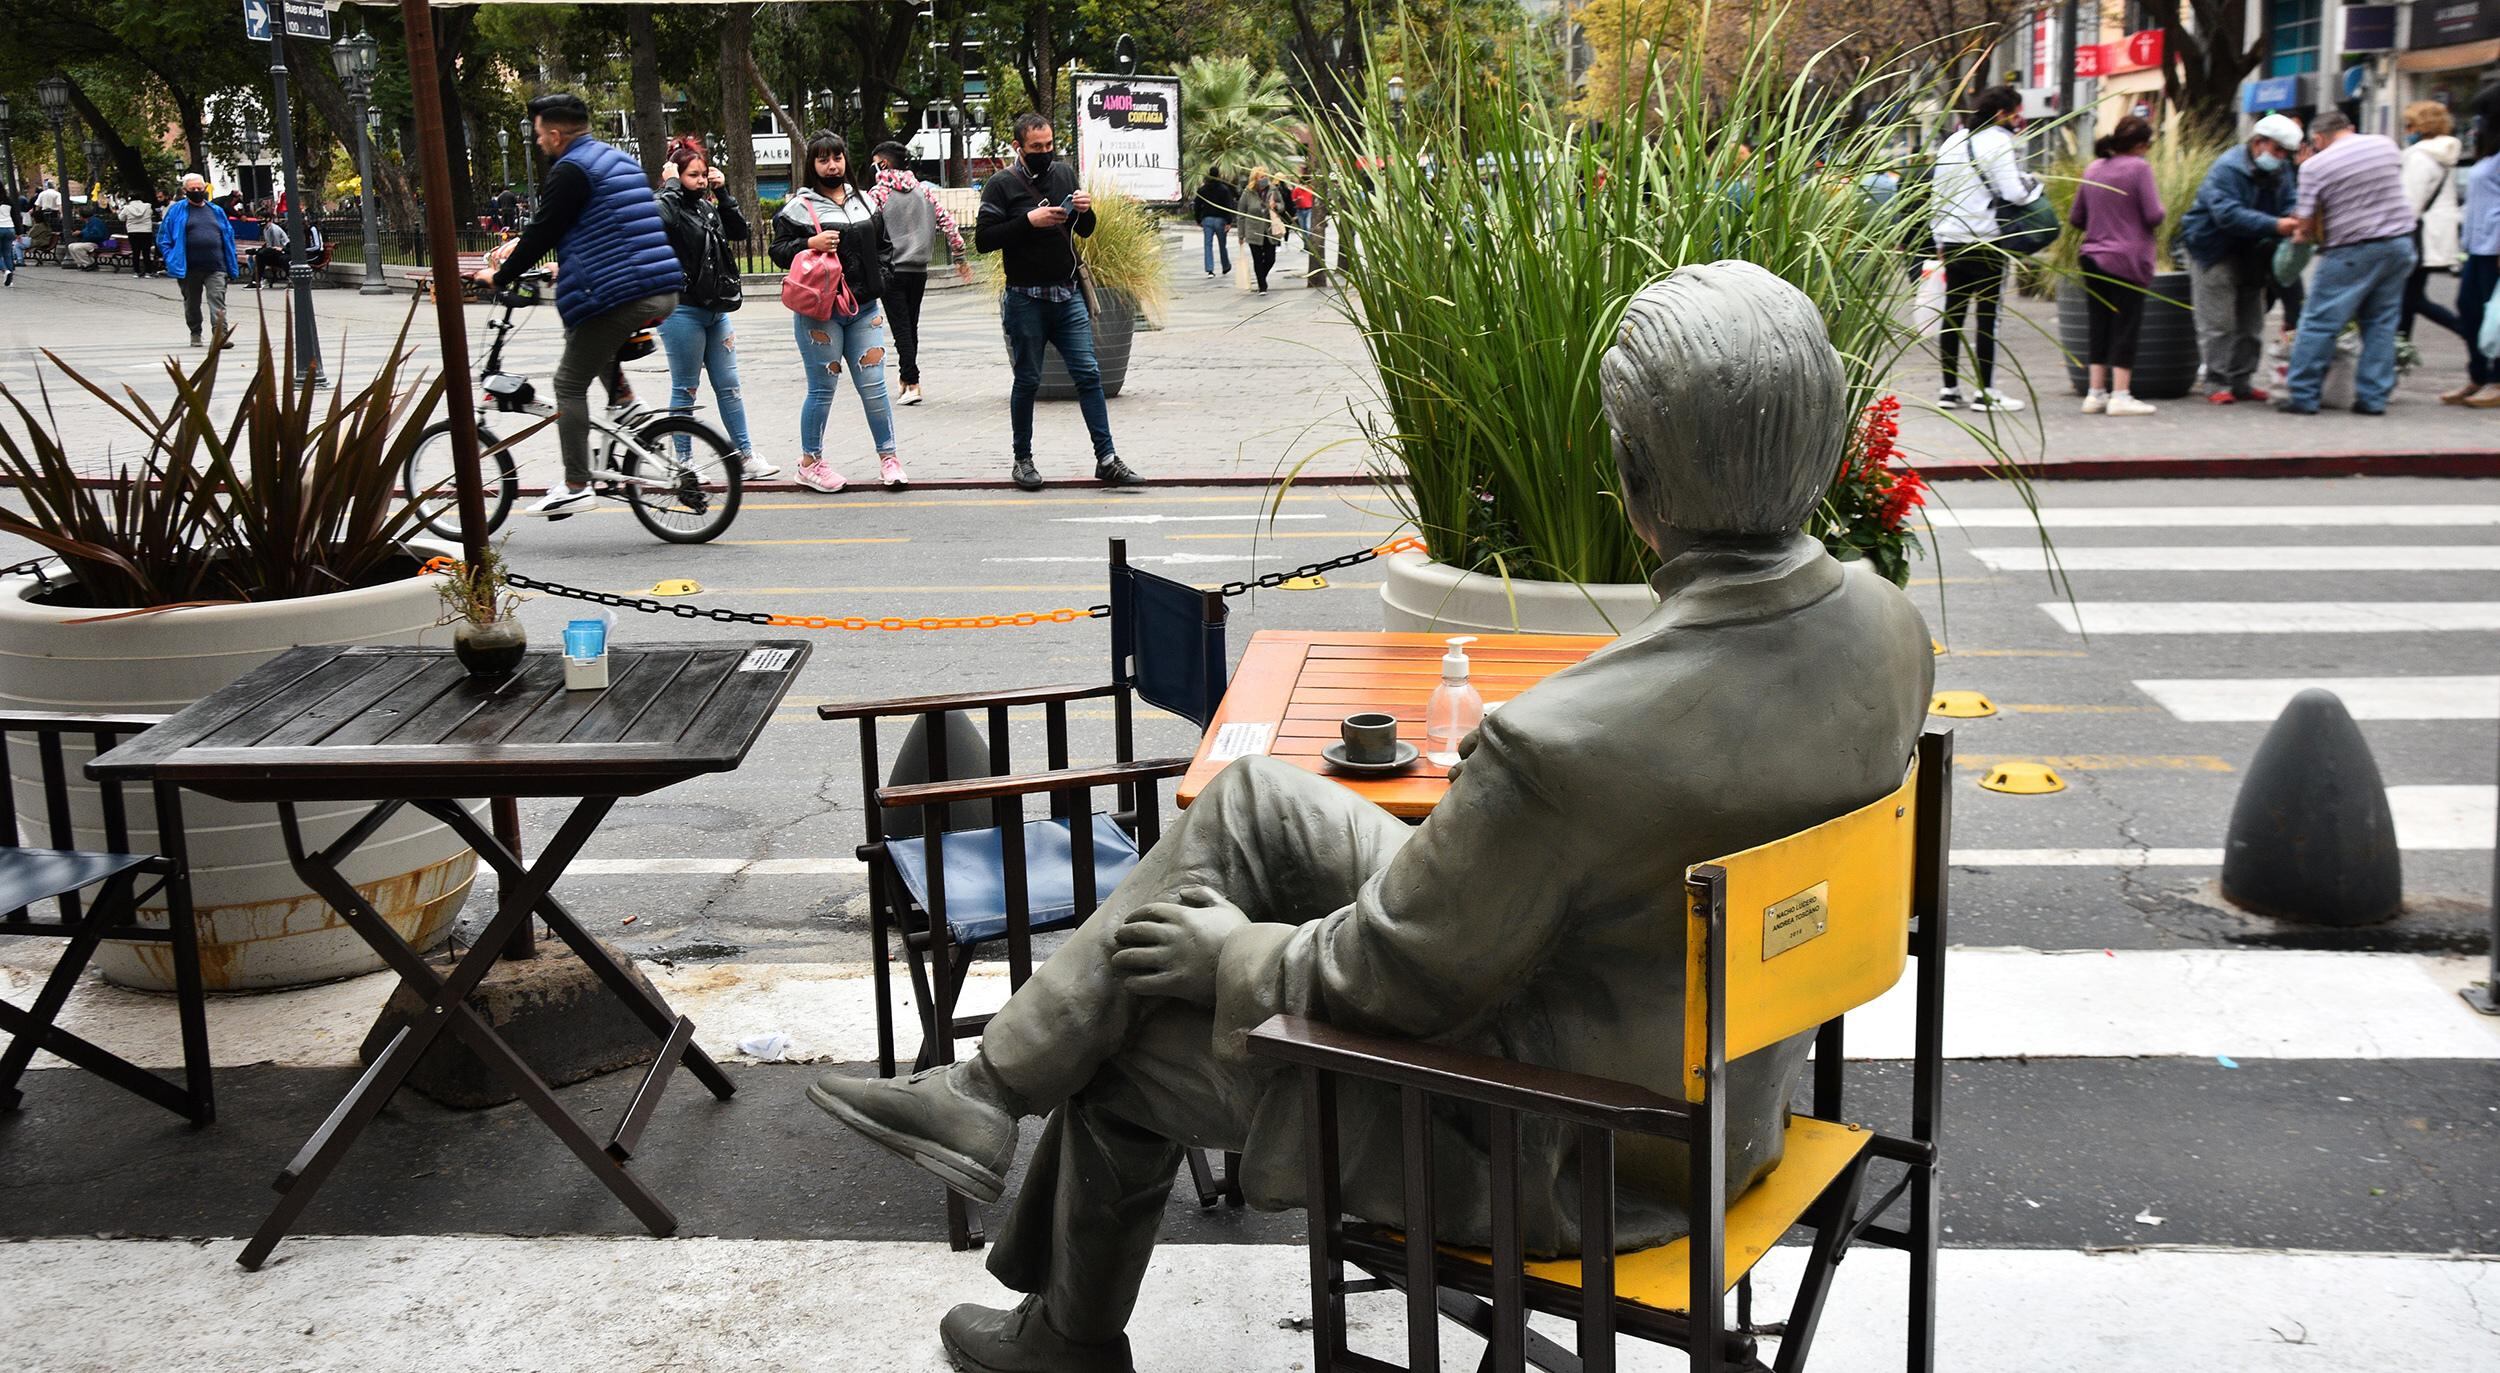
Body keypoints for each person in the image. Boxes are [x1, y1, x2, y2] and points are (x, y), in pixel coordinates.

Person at [804, 262, 1934, 1373]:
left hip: (1566, 1144)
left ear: (1633, 474)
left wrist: (1233, 952)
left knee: (1129, 1048)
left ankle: (1061, 1319)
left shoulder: (1567, 746)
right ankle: (984, 1093)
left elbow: (1395, 979)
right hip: (1725, 1095)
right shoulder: (1888, 633)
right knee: (1247, 801)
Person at [485, 92, 684, 518]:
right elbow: (607, 226)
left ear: (555, 134)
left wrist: (499, 275)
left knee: (568, 383)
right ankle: (625, 402)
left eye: (540, 135)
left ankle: (576, 483)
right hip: (659, 286)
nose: (538, 142)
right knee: (583, 332)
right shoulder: (617, 160)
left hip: (623, 292)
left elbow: (544, 229)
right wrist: (568, 264)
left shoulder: (571, 169)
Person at [974, 112, 1139, 491]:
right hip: (1025, 299)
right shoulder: (1001, 185)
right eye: (1036, 148)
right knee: (1027, 380)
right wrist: (1028, 221)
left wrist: (1085, 210)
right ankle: (1023, 459)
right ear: (1018, 147)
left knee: (1089, 374)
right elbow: (984, 240)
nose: (1045, 153)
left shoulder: (1063, 174)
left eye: (1049, 145)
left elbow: (1084, 230)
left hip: (1067, 296)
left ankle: (1107, 459)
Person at [771, 131, 903, 493]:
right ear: (811, 165)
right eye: (823, 160)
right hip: (820, 311)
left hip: (864, 309)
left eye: (838, 158)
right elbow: (778, 251)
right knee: (822, 388)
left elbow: (884, 247)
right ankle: (810, 462)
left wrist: (881, 281)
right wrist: (808, 243)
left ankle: (889, 458)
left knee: (874, 387)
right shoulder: (799, 207)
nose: (832, 165)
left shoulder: (865, 202)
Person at [2277, 111, 2419, 415]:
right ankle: (2373, 398)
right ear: (2350, 128)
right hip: (2399, 244)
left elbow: (2305, 218)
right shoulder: (2385, 145)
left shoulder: (2315, 166)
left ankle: (2303, 395)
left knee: (2319, 321)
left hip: (2352, 249)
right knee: (2381, 323)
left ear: (2317, 139)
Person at [655, 144, 774, 482]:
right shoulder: (669, 206)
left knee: (729, 385)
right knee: (686, 388)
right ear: (676, 177)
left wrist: (725, 194)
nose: (701, 181)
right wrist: (670, 186)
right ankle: (684, 461)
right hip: (682, 311)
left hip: (716, 310)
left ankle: (745, 455)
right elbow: (658, 218)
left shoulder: (707, 208)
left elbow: (739, 232)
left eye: (704, 174)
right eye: (692, 175)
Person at [2178, 113, 2304, 404]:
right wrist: (2276, 225)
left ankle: (2242, 380)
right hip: (2213, 248)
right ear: (2258, 143)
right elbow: (2227, 214)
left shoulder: (2280, 169)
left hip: (2252, 250)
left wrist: (2294, 214)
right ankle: (2216, 382)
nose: (2281, 158)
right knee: (2219, 321)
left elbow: (2289, 200)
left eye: (2285, 153)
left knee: (2252, 320)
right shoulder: (2227, 168)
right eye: (2277, 150)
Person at [1927, 86, 2037, 411]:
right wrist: (2034, 185)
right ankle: (1985, 391)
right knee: (1988, 317)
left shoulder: (1953, 140)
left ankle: (1948, 389)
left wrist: (1938, 240)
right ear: (2003, 113)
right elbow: (2014, 192)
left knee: (1953, 315)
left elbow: (1937, 192)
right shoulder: (1999, 141)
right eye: (2017, 113)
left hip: (1952, 239)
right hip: (1987, 239)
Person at [2069, 115, 2166, 416]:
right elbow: (2154, 214)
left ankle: (2095, 392)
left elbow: (2076, 218)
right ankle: (2121, 394)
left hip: (2092, 257)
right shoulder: (2139, 168)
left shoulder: (2094, 168)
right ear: (2140, 144)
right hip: (2127, 259)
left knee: (2099, 324)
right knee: (2126, 325)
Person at [867, 140, 973, 408]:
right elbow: (949, 224)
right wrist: (959, 256)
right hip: (919, 270)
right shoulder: (925, 192)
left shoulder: (877, 194)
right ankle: (905, 379)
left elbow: (866, 228)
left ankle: (912, 382)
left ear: (883, 164)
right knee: (909, 325)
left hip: (892, 269)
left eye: (875, 162)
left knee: (901, 328)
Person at [2400, 101, 2466, 348]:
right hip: (2433, 232)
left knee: (2412, 298)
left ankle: (2468, 332)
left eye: (2409, 125)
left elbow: (2410, 202)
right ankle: (2399, 349)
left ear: (2421, 127)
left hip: (2419, 234)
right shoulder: (2442, 155)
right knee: (2410, 296)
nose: (2407, 130)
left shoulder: (2420, 157)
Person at [2449, 123, 2500, 407]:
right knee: (2469, 309)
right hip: (2478, 246)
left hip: (2495, 246)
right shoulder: (2489, 157)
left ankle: (2496, 379)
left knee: (2496, 315)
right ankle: (2478, 375)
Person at [157, 175, 238, 347]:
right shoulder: (176, 211)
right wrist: (170, 257)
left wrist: (230, 260)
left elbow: (228, 235)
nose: (197, 192)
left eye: (199, 188)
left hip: (216, 265)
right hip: (188, 267)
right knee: (192, 303)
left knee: (217, 300)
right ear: (185, 191)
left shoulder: (216, 211)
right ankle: (195, 332)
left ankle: (220, 336)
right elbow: (164, 238)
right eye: (192, 189)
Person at [1236, 166, 1287, 294]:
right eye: (1261, 177)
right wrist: (1241, 235)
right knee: (1257, 259)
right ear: (1255, 179)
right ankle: (1262, 286)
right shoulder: (1248, 193)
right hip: (1253, 230)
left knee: (1271, 258)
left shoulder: (1273, 190)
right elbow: (1241, 213)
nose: (1264, 179)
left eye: (1265, 176)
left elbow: (1282, 206)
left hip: (1269, 230)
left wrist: (1276, 206)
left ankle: (1261, 277)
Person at [1194, 168, 1237, 278]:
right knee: (1222, 245)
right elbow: (1228, 205)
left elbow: (1197, 205)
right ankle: (1225, 266)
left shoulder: (1203, 189)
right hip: (1220, 219)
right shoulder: (1224, 189)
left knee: (1208, 245)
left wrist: (1198, 219)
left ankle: (1210, 269)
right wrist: (1229, 221)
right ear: (1219, 175)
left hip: (1207, 219)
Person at [122, 193, 156, 277]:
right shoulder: (148, 207)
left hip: (133, 231)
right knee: (146, 252)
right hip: (146, 231)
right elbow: (151, 214)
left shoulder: (127, 208)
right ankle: (148, 272)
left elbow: (121, 218)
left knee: (135, 252)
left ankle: (136, 272)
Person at [1287, 175, 1316, 252]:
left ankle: (1310, 245)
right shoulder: (1297, 190)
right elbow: (1293, 200)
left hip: (1309, 210)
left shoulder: (1311, 189)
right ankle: (1306, 246)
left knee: (1308, 227)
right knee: (1303, 228)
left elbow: (1314, 199)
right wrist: (1298, 200)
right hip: (1300, 210)